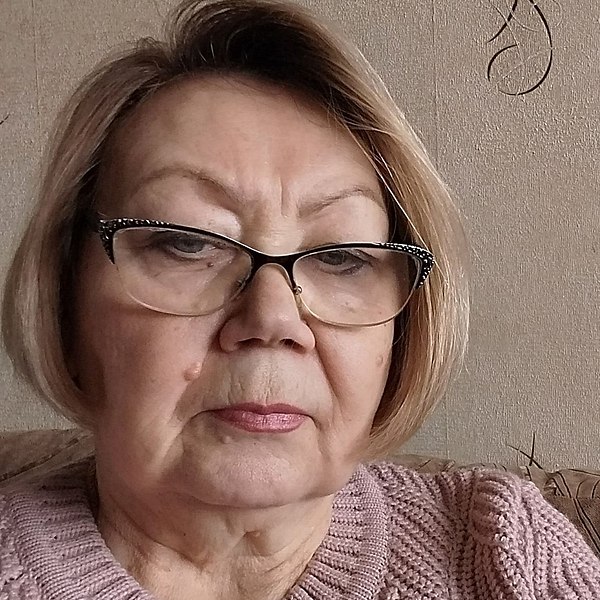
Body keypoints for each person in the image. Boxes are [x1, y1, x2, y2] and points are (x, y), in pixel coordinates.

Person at [1, 0, 599, 598]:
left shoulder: (506, 552)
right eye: (187, 242)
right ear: (63, 293)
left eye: (342, 257)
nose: (272, 318)